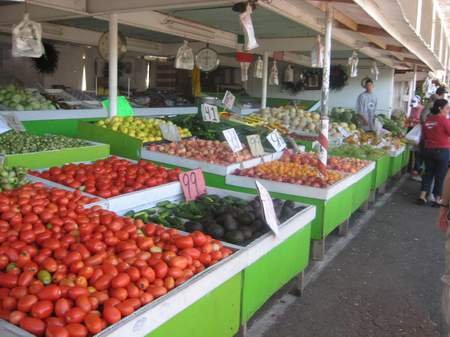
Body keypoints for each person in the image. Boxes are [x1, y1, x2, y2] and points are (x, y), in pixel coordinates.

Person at [417, 99, 450, 206]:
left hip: (428, 150)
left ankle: (422, 196)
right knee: (440, 175)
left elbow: (424, 136)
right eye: (447, 108)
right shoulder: (444, 120)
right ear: (440, 108)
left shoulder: (428, 120)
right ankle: (437, 199)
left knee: (428, 173)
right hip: (442, 151)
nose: (448, 110)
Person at [408, 95, 425, 180]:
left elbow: (422, 120)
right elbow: (411, 117)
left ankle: (416, 170)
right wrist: (409, 120)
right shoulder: (412, 107)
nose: (413, 106)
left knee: (418, 151)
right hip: (412, 130)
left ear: (419, 102)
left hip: (418, 132)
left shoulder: (422, 109)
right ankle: (413, 168)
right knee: (413, 150)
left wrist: (413, 120)